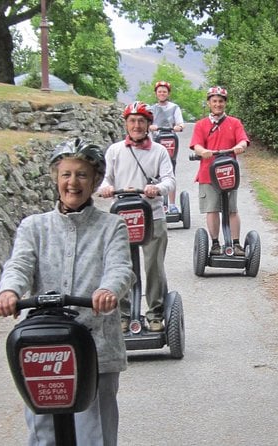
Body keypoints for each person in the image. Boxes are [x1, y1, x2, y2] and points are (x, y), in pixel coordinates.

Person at [0, 138, 135, 446]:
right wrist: (9, 292)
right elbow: (19, 265)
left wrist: (109, 290)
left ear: (95, 180)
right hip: (42, 346)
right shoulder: (34, 227)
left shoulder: (112, 227)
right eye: (66, 174)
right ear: (55, 178)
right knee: (42, 433)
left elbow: (121, 268)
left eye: (82, 175)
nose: (73, 183)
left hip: (95, 345)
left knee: (94, 434)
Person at [98, 101, 176, 333]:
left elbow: (169, 180)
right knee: (123, 267)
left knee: (154, 266)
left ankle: (155, 313)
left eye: (141, 121)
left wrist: (158, 189)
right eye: (132, 120)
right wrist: (106, 188)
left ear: (149, 124)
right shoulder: (114, 151)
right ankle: (123, 314)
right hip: (121, 216)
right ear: (126, 124)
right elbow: (104, 178)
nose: (137, 125)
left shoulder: (159, 151)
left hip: (152, 215)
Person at [189, 86, 249, 257]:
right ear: (209, 103)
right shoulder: (201, 125)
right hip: (208, 174)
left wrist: (239, 146)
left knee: (232, 209)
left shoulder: (234, 123)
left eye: (221, 101)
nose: (217, 104)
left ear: (225, 103)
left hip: (229, 173)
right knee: (212, 209)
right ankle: (215, 244)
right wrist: (202, 152)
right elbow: (197, 145)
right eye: (214, 101)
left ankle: (236, 244)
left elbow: (243, 140)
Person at [148, 80, 185, 214]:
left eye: (164, 91)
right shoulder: (151, 109)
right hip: (156, 143)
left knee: (171, 172)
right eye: (160, 91)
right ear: (156, 93)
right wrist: (149, 126)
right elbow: (147, 123)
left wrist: (179, 127)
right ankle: (157, 204)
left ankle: (172, 204)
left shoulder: (174, 107)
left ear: (168, 93)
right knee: (155, 173)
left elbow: (181, 123)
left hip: (170, 142)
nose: (162, 93)